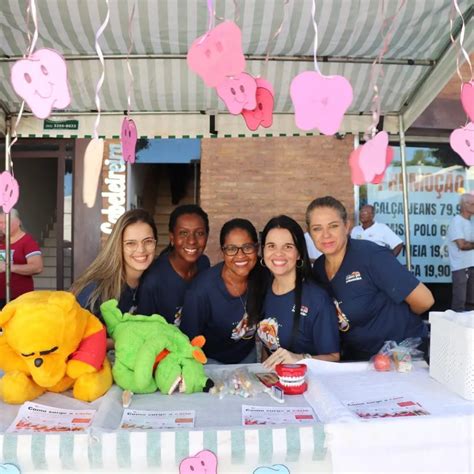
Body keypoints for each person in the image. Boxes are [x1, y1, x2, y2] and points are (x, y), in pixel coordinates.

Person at [307, 196, 434, 361]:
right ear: (309, 232)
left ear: (347, 226)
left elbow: (425, 300)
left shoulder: (371, 256)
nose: (326, 235)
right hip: (358, 359)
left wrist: (396, 323)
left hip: (401, 357)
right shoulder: (318, 269)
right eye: (317, 228)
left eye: (333, 226)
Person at [259, 215, 340, 370]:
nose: (278, 253)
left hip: (308, 386)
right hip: (273, 385)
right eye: (271, 246)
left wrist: (300, 359)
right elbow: (268, 346)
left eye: (288, 246)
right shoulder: (262, 288)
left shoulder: (316, 299)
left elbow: (334, 358)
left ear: (299, 253)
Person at [180, 218, 266, 364]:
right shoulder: (201, 290)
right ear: (223, 251)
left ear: (256, 248)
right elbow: (188, 342)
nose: (240, 255)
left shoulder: (264, 274)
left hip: (247, 357)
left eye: (247, 247)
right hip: (210, 362)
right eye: (231, 249)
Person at [70, 208, 157, 322]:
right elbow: (76, 336)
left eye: (148, 241)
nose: (141, 249)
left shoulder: (155, 280)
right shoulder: (94, 291)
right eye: (130, 243)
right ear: (117, 245)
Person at [137, 204, 210, 324]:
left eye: (200, 233)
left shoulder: (203, 264)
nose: (192, 241)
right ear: (172, 237)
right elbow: (144, 330)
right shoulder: (153, 281)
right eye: (183, 233)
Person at [0, 208, 43, 308]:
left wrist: (8, 267)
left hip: (20, 298)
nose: (2, 226)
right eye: (0, 223)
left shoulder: (27, 241)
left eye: (5, 222)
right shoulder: (1, 240)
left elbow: (37, 267)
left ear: (18, 222)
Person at [447, 193, 474, 312]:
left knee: (471, 303)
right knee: (460, 303)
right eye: (473, 204)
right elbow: (462, 245)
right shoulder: (457, 221)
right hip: (461, 268)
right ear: (464, 205)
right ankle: (456, 330)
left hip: (470, 266)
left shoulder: (470, 222)